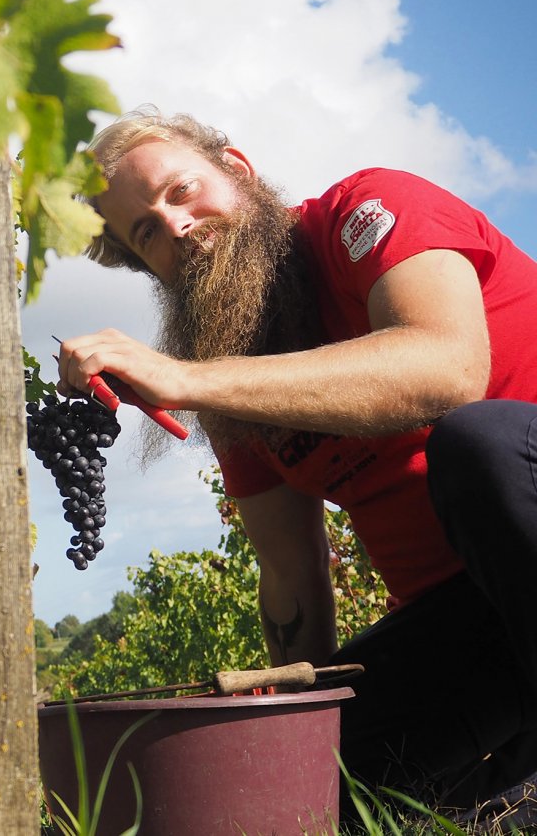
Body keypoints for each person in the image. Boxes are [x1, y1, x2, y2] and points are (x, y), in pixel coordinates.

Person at [57, 106, 537, 818]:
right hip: (479, 622)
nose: (177, 227)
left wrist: (187, 378)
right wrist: (290, 736)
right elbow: (293, 580)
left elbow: (448, 367)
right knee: (307, 786)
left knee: (475, 447)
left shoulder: (366, 212)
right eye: (147, 232)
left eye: (181, 191)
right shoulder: (239, 385)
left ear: (239, 173)